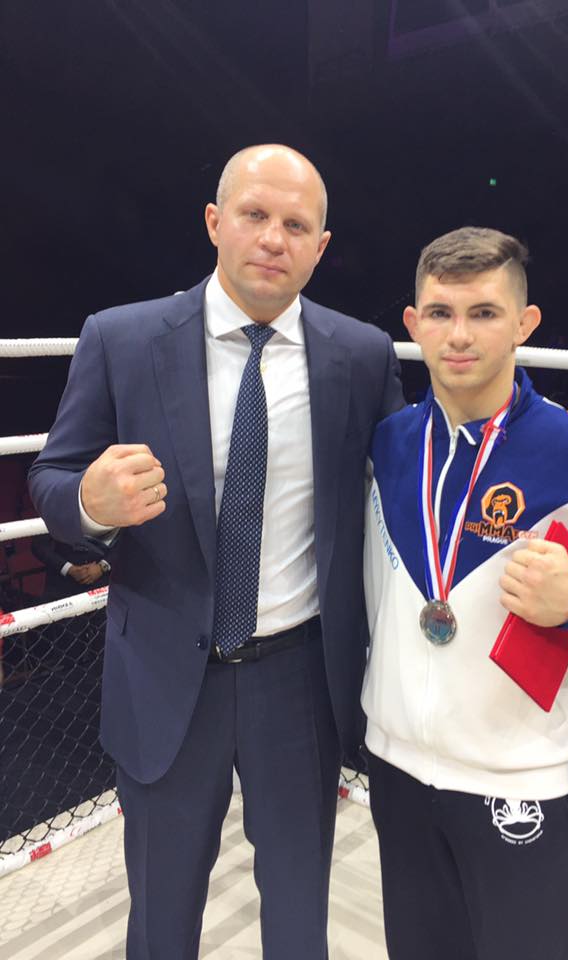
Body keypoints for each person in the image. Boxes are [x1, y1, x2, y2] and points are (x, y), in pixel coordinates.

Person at [28, 144, 403, 960]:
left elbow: (404, 494)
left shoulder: (362, 354)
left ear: (320, 247)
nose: (272, 238)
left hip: (302, 677)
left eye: (295, 225)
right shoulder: (122, 337)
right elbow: (50, 475)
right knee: (162, 919)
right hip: (167, 674)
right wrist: (89, 505)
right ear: (214, 222)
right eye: (254, 214)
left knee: (299, 915)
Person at [361, 226, 568, 960]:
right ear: (413, 324)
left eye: (483, 312)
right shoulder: (389, 444)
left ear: (524, 323)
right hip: (395, 764)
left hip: (517, 779)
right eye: (440, 313)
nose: (459, 335)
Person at [31, 534, 110, 600]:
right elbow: (38, 544)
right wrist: (68, 568)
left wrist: (102, 567)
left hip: (104, 587)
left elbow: (117, 545)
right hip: (61, 587)